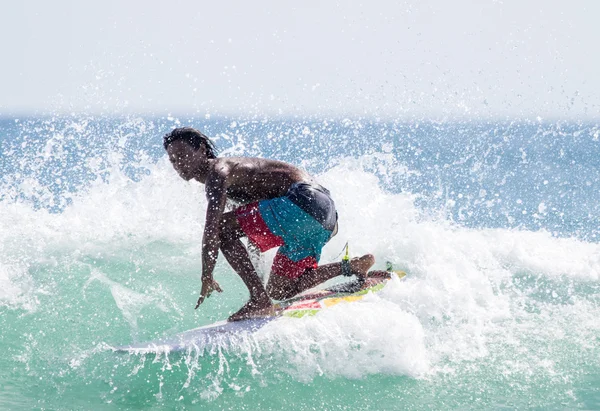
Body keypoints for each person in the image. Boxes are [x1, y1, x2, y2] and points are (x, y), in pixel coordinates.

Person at [164, 127, 379, 321]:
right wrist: (258, 282)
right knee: (280, 290)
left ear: (201, 149)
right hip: (323, 218)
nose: (179, 164)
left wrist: (207, 275)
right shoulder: (232, 182)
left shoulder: (219, 172)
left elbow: (213, 230)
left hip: (303, 202)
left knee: (220, 228)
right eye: (173, 160)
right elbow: (247, 235)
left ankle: (259, 300)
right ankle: (352, 266)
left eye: (183, 155)